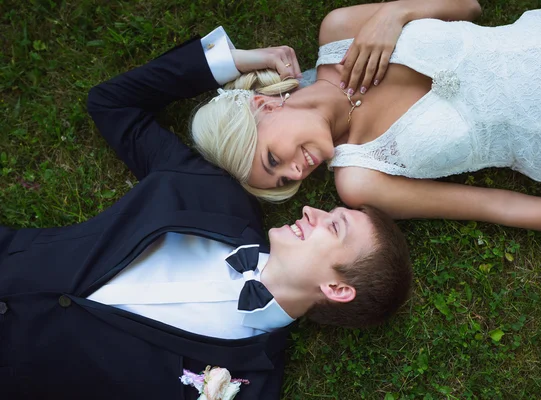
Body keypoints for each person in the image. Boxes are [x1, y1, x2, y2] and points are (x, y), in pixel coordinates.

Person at [0, 29, 412, 399]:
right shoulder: (211, 193)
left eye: (334, 225)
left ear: (337, 290)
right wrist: (234, 60)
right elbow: (112, 103)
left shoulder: (254, 382)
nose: (309, 207)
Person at [190, 1, 541, 235]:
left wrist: (395, 13)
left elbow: (470, 5)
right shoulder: (359, 179)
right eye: (284, 181)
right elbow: (490, 205)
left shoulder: (339, 31)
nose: (298, 172)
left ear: (263, 107)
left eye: (273, 160)